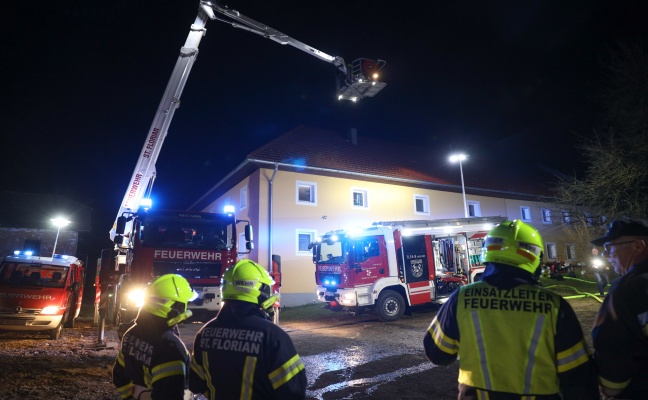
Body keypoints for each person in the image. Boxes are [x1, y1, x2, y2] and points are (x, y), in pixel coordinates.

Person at [424, 220, 598, 400]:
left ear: (488, 251)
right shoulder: (553, 306)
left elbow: (437, 353)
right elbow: (578, 377)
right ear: (535, 257)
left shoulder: (461, 298)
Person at [189, 259, 307, 400]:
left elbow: (195, 384)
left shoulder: (204, 333)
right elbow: (294, 391)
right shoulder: (273, 336)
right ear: (259, 291)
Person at [591, 217, 648, 399]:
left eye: (610, 248)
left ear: (638, 246)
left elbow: (613, 347)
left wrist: (609, 389)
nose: (606, 255)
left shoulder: (628, 288)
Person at [113, 274, 195, 400]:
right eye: (185, 304)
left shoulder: (131, 333)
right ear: (175, 307)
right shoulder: (170, 348)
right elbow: (170, 394)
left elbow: (119, 375)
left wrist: (129, 397)